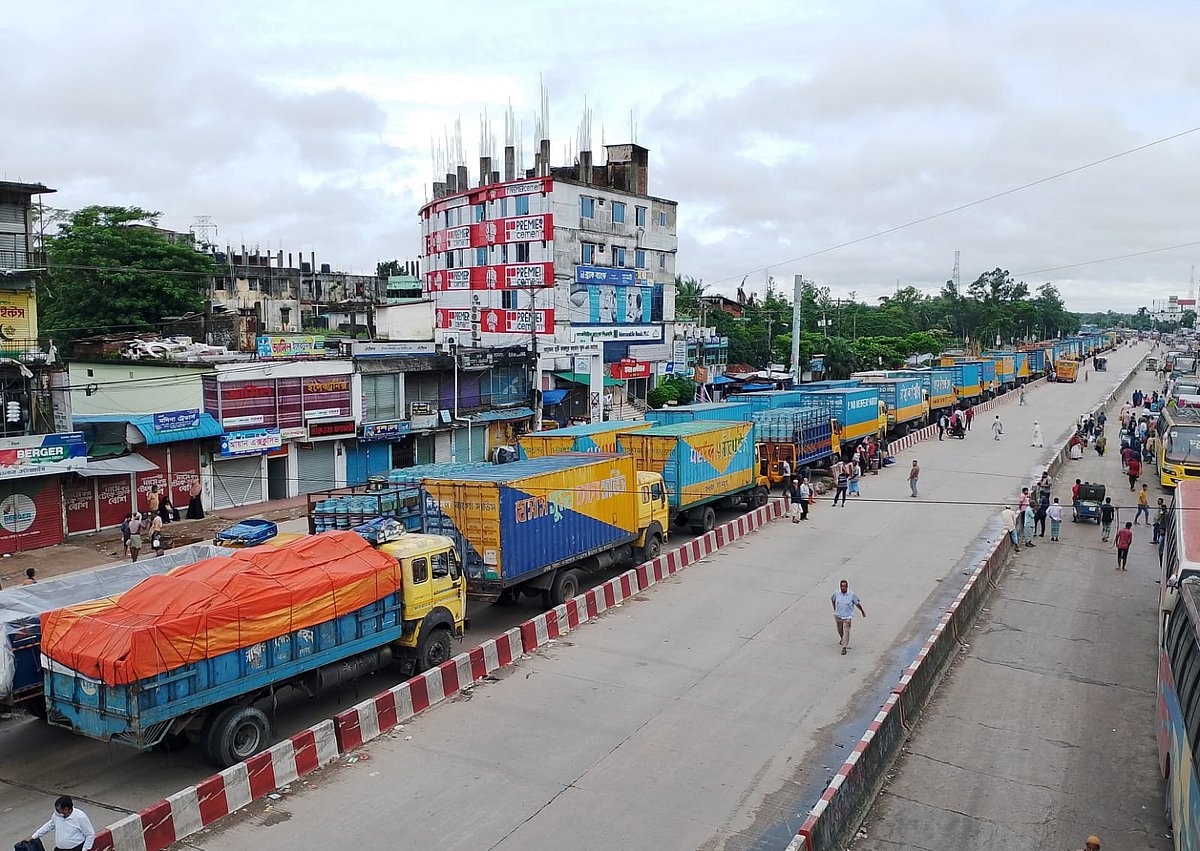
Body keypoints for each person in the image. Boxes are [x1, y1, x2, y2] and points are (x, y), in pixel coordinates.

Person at [26, 795, 96, 851]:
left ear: (67, 809)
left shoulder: (80, 817)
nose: (57, 812)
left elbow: (90, 834)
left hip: (76, 848)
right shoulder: (57, 815)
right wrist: (33, 836)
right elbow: (48, 826)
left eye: (59, 810)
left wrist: (85, 849)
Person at [831, 579, 866, 656]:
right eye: (842, 586)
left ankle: (844, 647)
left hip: (847, 617)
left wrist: (862, 611)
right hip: (838, 616)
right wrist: (835, 608)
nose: (843, 588)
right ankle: (842, 639)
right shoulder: (836, 593)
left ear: (847, 587)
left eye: (844, 586)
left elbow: (857, 604)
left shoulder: (851, 595)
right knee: (840, 630)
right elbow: (832, 599)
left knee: (846, 631)